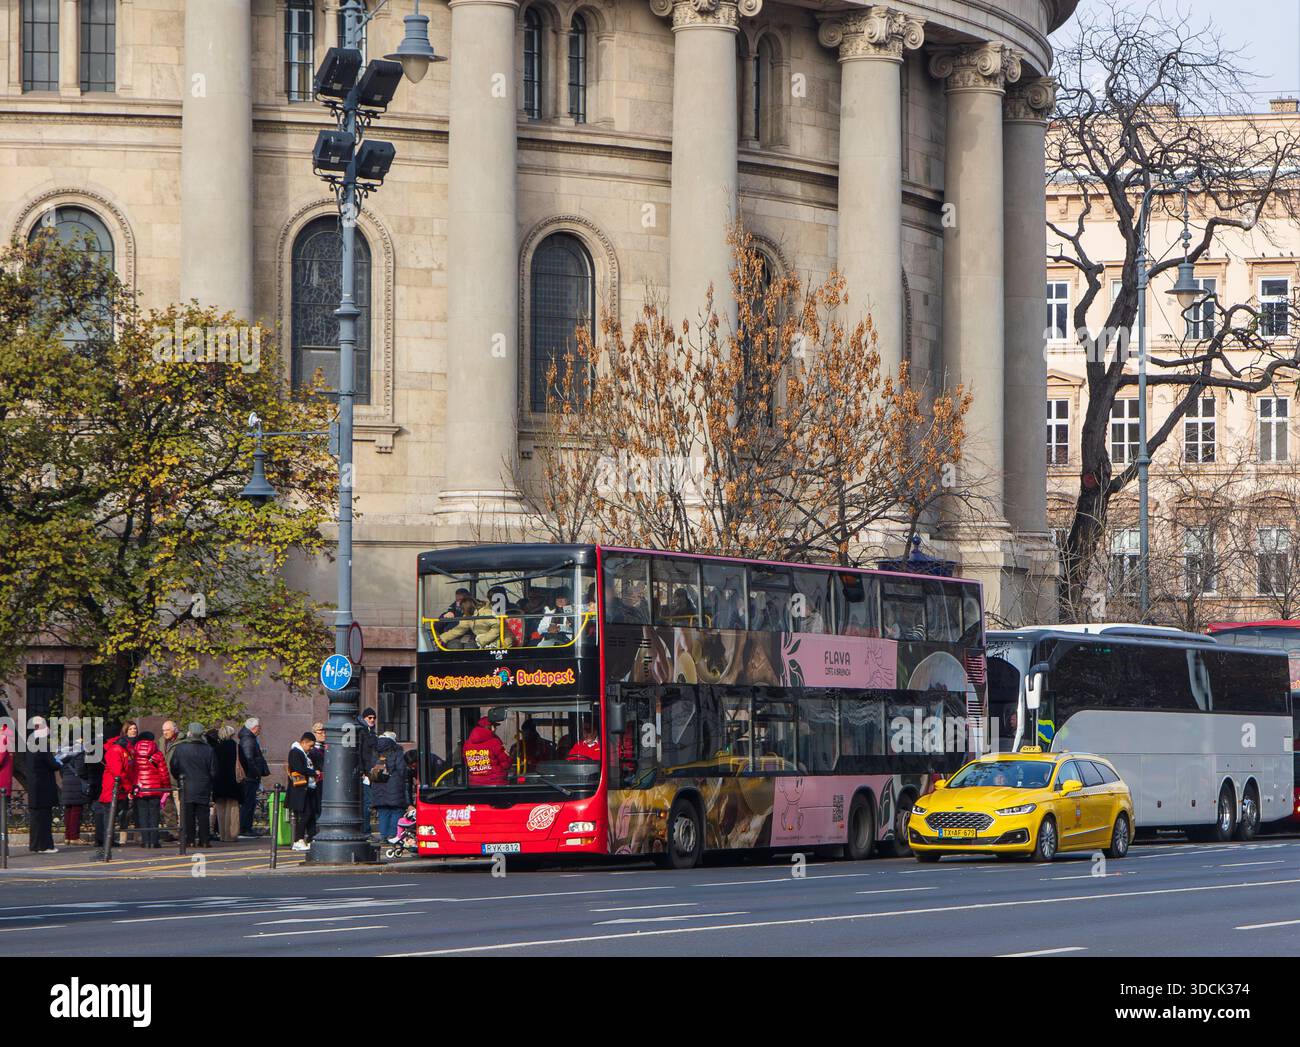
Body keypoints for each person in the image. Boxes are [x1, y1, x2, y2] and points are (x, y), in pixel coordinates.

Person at [168, 723, 218, 849]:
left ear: (189, 733)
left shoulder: (180, 748)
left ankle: (189, 839)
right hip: (203, 785)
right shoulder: (208, 749)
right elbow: (214, 770)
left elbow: (173, 767)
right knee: (203, 814)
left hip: (186, 785)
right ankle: (204, 840)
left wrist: (179, 778)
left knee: (187, 815)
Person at [94, 731, 137, 854]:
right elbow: (118, 772)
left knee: (111, 815)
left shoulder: (119, 750)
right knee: (109, 815)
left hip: (117, 788)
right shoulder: (116, 751)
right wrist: (129, 787)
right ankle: (106, 840)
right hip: (113, 788)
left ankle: (108, 839)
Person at [25, 717, 60, 854]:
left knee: (36, 818)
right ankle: (45, 846)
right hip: (43, 786)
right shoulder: (41, 743)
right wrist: (60, 761)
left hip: (35, 784)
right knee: (44, 817)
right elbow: (52, 764)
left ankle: (35, 845)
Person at [133, 731, 171, 848]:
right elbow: (163, 773)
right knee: (154, 815)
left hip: (140, 788)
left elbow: (132, 771)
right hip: (155, 788)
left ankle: (145, 841)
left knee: (142, 815)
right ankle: (154, 841)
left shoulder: (134, 753)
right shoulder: (157, 754)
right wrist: (166, 787)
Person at [371, 731, 410, 845]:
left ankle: (383, 836)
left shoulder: (375, 751)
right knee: (396, 810)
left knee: (383, 811)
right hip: (394, 786)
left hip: (378, 786)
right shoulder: (396, 751)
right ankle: (393, 835)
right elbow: (402, 769)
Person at [236, 717, 270, 838]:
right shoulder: (248, 740)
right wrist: (256, 773)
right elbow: (248, 758)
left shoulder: (249, 739)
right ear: (254, 728)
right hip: (250, 777)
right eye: (259, 727)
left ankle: (246, 827)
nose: (260, 729)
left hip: (251, 776)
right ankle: (245, 828)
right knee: (248, 803)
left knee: (250, 802)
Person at [55, 738, 92, 845]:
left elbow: (61, 770)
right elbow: (81, 770)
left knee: (68, 810)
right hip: (76, 783)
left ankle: (68, 836)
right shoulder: (79, 752)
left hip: (66, 782)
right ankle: (74, 837)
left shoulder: (62, 754)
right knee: (76, 810)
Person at [286, 732, 318, 851]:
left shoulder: (304, 753)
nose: (311, 748)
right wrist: (313, 773)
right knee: (305, 814)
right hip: (299, 790)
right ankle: (298, 840)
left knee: (310, 814)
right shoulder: (295, 752)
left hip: (307, 788)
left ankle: (311, 838)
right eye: (310, 745)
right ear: (303, 742)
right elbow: (298, 768)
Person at [462, 709, 511, 785]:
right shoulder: (495, 742)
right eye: (494, 726)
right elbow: (506, 763)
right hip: (496, 783)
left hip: (474, 785)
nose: (495, 729)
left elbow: (467, 762)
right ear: (490, 727)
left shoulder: (467, 744)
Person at [211, 724, 241, 843]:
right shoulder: (236, 747)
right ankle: (231, 835)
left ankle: (223, 835)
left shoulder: (216, 748)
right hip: (232, 781)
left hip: (218, 782)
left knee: (221, 809)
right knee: (232, 809)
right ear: (232, 735)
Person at [355, 708, 379, 835]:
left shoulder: (370, 732)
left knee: (368, 802)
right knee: (367, 802)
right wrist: (363, 771)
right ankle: (365, 830)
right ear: (364, 718)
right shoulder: (362, 732)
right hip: (365, 773)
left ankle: (365, 830)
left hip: (370, 771)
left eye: (374, 718)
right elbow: (360, 753)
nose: (372, 720)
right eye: (369, 717)